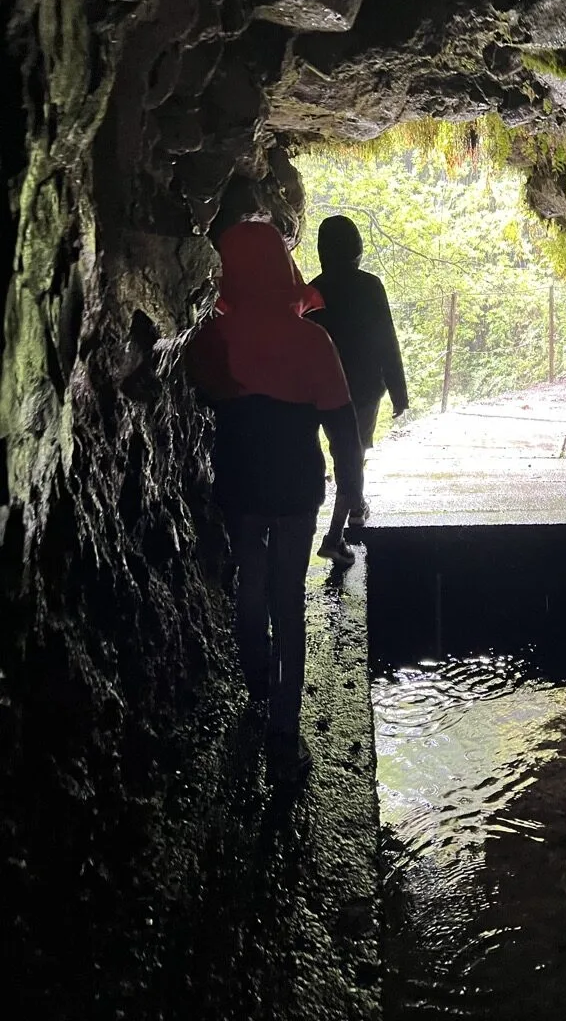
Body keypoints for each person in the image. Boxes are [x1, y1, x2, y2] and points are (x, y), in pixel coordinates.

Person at [186, 220, 363, 784]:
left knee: (250, 578)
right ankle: (284, 723)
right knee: (289, 594)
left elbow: (203, 398)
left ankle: (256, 679)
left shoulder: (213, 339)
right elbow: (342, 428)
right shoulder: (311, 339)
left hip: (240, 482)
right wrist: (353, 493)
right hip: (295, 487)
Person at [308, 214, 409, 523]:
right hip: (365, 387)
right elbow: (386, 340)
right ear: (357, 248)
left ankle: (353, 505)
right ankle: (351, 511)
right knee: (354, 449)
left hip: (325, 386)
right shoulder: (370, 286)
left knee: (342, 448)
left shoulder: (314, 291)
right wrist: (398, 391)